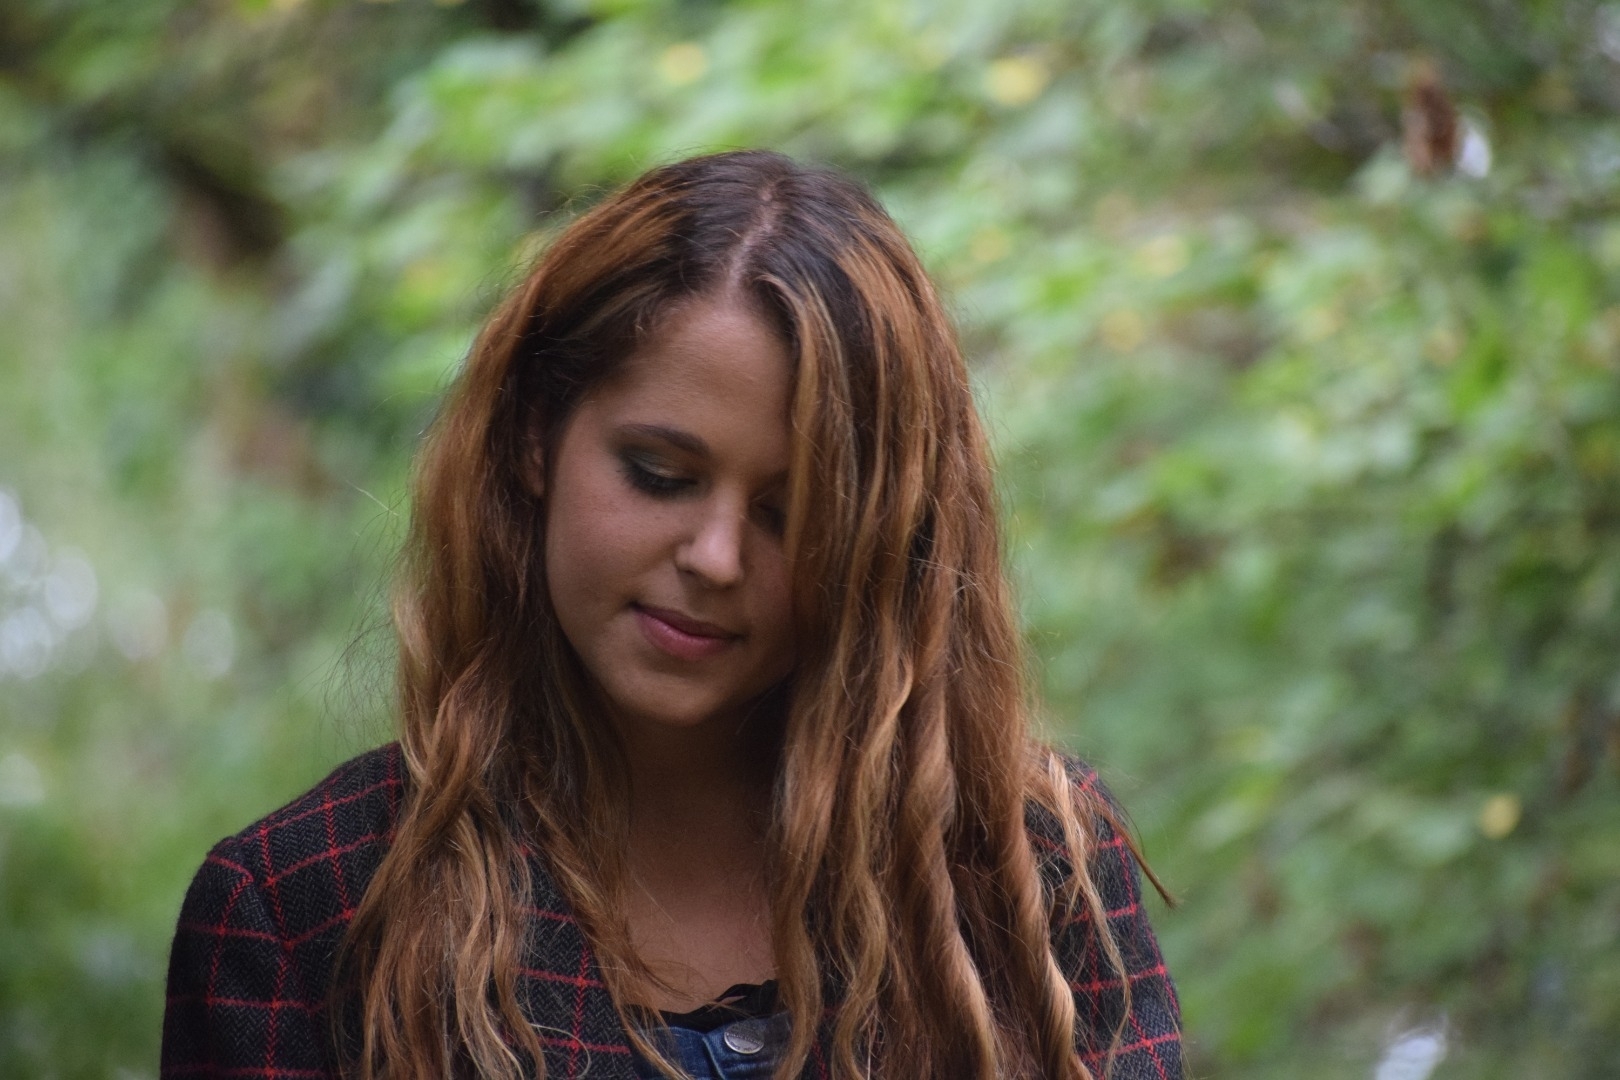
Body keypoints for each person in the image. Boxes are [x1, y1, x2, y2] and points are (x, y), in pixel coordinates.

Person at [161, 150, 1183, 1080]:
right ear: (533, 438)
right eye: (660, 475)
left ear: (879, 540)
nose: (716, 558)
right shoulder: (307, 909)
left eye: (791, 515)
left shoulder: (1031, 874)